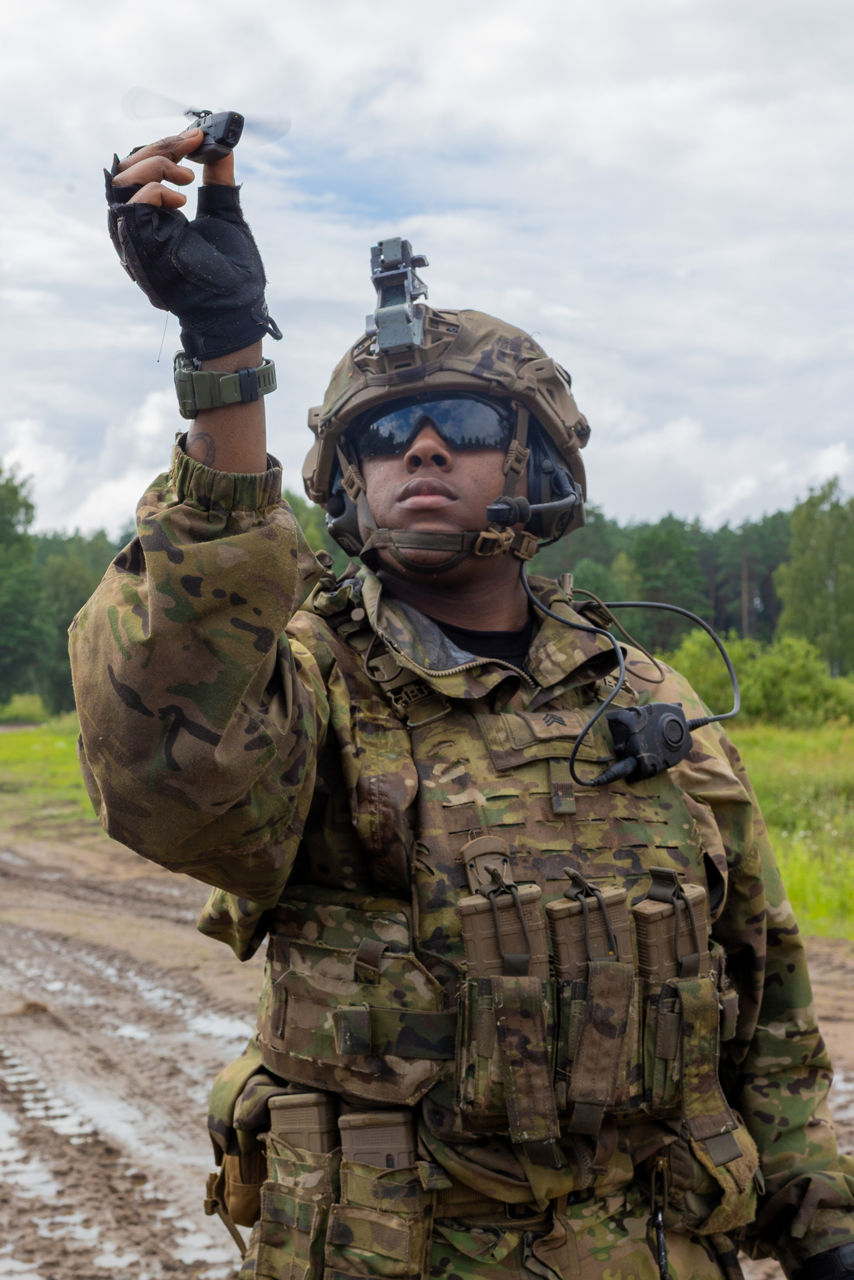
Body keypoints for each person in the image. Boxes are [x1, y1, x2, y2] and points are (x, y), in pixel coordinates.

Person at [69, 127, 854, 1280]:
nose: (420, 446)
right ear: (349, 479)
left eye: (464, 425)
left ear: (532, 462)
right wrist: (225, 355)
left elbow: (761, 996)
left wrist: (820, 1223)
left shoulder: (646, 698)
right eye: (383, 434)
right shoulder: (307, 687)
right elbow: (160, 764)